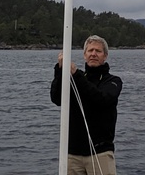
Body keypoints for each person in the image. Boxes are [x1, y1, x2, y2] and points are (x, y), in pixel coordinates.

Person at [50, 35, 124, 175]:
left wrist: (76, 74)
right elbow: (57, 99)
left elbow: (101, 98)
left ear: (105, 56)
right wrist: (60, 71)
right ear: (84, 55)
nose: (93, 54)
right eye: (90, 50)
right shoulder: (75, 78)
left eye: (98, 51)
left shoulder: (113, 81)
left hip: (100, 153)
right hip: (73, 154)